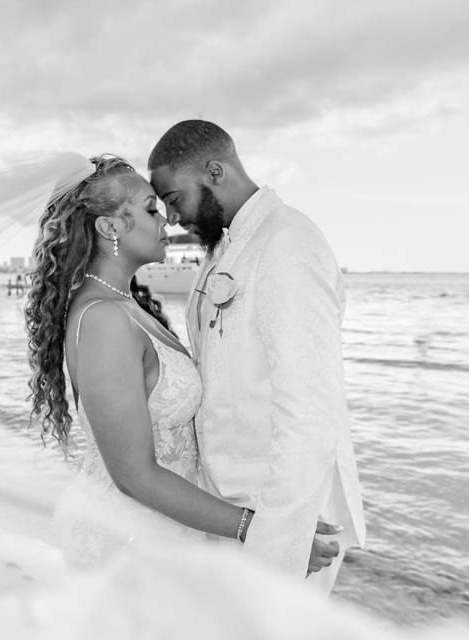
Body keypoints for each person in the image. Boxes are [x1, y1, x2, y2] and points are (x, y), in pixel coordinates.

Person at [24, 155, 339, 574]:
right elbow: (134, 475)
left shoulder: (126, 306)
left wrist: (281, 516)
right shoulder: (103, 320)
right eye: (151, 210)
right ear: (110, 226)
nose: (166, 222)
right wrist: (262, 530)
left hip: (163, 536)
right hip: (128, 546)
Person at [148, 120, 366, 592]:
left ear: (214, 171)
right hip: (232, 507)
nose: (170, 217)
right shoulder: (223, 249)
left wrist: (280, 538)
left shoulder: (287, 244)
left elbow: (309, 408)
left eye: (173, 198)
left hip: (283, 518)